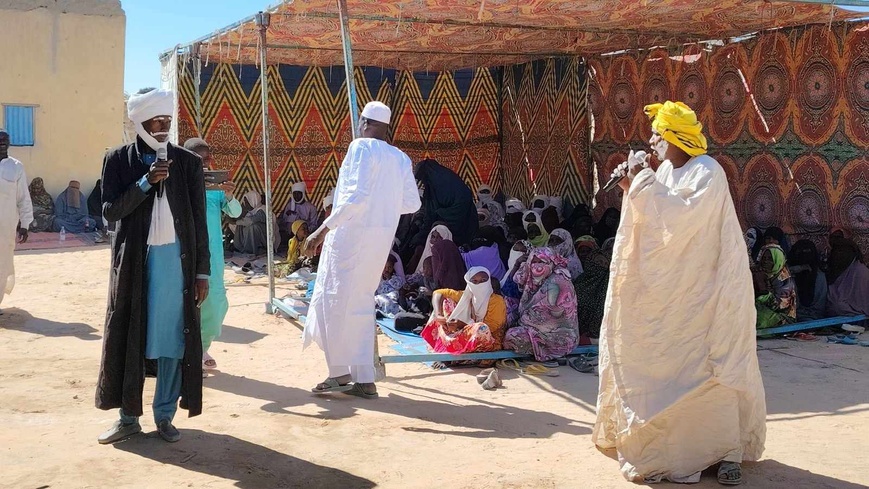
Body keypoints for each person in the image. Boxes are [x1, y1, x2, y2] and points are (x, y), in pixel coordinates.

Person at [594, 101, 766, 485]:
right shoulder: (669, 170)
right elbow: (656, 225)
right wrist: (630, 185)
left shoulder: (708, 173)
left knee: (712, 370)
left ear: (673, 136)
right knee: (670, 373)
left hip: (707, 295)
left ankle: (725, 453)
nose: (652, 141)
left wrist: (642, 179)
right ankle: (677, 453)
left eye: (657, 133)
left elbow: (680, 218)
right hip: (676, 296)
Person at [96, 88, 210, 445]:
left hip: (177, 263)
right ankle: (128, 417)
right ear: (140, 122)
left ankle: (165, 416)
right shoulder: (118, 160)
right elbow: (110, 211)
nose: (162, 128)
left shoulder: (187, 163)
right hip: (134, 264)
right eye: (155, 121)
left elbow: (198, 220)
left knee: (173, 340)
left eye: (167, 121)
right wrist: (146, 182)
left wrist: (202, 271)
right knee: (132, 334)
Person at [302, 101, 421, 400]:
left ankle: (340, 373)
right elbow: (412, 204)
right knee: (359, 306)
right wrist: (384, 207)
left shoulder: (361, 148)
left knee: (332, 304)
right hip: (377, 246)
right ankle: (364, 379)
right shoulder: (401, 158)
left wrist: (321, 230)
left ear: (365, 122)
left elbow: (355, 198)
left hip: (349, 239)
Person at [183, 137, 242, 371]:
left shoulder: (216, 190)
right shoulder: (181, 184)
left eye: (207, 157)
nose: (206, 162)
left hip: (213, 255)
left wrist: (228, 195)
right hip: (186, 251)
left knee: (216, 300)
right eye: (200, 158)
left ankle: (202, 346)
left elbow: (235, 212)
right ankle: (189, 352)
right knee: (186, 301)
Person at [503, 247, 578, 361]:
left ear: (551, 263)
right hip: (532, 328)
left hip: (558, 336)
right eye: (534, 262)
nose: (537, 267)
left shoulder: (559, 282)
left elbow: (548, 315)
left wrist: (522, 321)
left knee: (513, 337)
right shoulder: (532, 281)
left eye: (542, 262)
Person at [422, 267, 507, 355]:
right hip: (464, 332)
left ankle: (458, 352)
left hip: (489, 341)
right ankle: (446, 344)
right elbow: (439, 292)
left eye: (483, 280)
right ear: (469, 283)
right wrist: (438, 315)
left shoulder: (497, 301)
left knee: (481, 328)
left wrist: (462, 325)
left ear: (488, 281)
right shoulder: (466, 296)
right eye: (474, 281)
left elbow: (491, 328)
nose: (479, 284)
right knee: (447, 302)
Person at [0, 130, 33, 315]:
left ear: (10, 143)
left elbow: (23, 198)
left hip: (5, 226)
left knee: (2, 264)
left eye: (5, 140)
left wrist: (25, 224)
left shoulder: (16, 167)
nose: (2, 144)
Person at [413, 158, 478, 246]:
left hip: (460, 222)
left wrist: (437, 216)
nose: (423, 182)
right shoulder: (437, 183)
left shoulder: (441, 185)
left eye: (423, 178)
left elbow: (432, 212)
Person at [573, 236, 610, 339]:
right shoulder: (580, 281)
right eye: (598, 262)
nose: (601, 266)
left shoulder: (610, 286)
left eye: (604, 263)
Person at [755, 244, 797, 330]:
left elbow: (780, 306)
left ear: (778, 260)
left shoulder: (784, 280)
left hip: (784, 318)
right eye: (764, 258)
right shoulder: (763, 273)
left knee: (759, 319)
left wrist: (762, 289)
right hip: (766, 311)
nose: (765, 262)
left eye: (770, 259)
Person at [826, 236, 869, 318]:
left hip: (860, 321)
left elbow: (863, 306)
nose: (837, 254)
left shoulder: (861, 273)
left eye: (841, 251)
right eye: (836, 251)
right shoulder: (835, 270)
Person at [788, 239, 827, 321]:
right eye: (800, 253)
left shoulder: (820, 277)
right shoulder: (789, 276)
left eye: (807, 252)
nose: (803, 257)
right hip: (791, 318)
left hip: (815, 319)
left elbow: (819, 307)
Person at [281, 181, 318, 246]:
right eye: (294, 194)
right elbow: (283, 222)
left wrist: (302, 230)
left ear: (303, 194)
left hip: (305, 235)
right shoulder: (289, 206)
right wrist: (289, 216)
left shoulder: (311, 207)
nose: (296, 196)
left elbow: (314, 225)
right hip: (290, 235)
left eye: (298, 193)